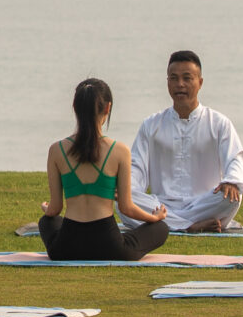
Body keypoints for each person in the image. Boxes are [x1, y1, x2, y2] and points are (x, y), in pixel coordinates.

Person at [38, 77, 173, 261]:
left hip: (65, 247)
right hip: (109, 246)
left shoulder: (56, 150)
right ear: (107, 108)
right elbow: (126, 207)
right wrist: (154, 219)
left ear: (75, 108)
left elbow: (55, 209)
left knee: (47, 221)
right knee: (161, 229)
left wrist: (47, 210)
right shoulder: (119, 151)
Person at [129, 51, 243, 233]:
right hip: (162, 205)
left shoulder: (218, 123)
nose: (180, 85)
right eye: (174, 78)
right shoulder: (151, 125)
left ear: (200, 82)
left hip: (204, 203)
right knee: (125, 200)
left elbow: (235, 159)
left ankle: (169, 224)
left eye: (187, 78)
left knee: (232, 197)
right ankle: (190, 226)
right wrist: (129, 190)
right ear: (167, 82)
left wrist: (231, 181)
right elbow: (136, 166)